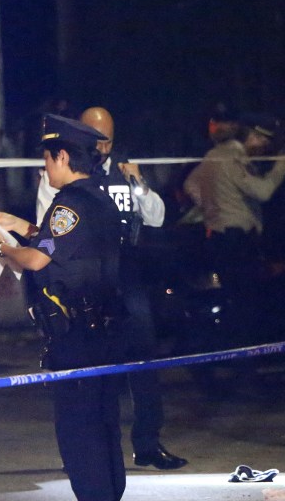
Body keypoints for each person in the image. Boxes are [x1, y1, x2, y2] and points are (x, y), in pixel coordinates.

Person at [0, 114, 126, 501]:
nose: (45, 169)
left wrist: (0, 246)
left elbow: (38, 260)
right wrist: (23, 225)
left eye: (47, 160)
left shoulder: (68, 204)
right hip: (104, 332)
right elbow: (60, 244)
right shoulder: (97, 199)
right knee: (103, 426)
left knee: (79, 432)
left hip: (77, 336)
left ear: (62, 156)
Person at [36, 107, 187, 470]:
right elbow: (46, 229)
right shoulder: (62, 172)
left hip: (127, 274)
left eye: (108, 140)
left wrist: (139, 183)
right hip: (86, 278)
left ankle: (147, 442)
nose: (102, 147)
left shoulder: (124, 170)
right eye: (96, 138)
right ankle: (92, 450)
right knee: (93, 366)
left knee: (143, 357)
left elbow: (157, 217)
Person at [183, 112, 285, 341]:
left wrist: (213, 205)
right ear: (250, 136)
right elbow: (263, 191)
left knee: (235, 300)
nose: (262, 146)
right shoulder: (233, 157)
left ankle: (239, 350)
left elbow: (191, 184)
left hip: (221, 238)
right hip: (236, 241)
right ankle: (247, 352)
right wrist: (282, 166)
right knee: (246, 304)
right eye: (261, 140)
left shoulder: (214, 155)